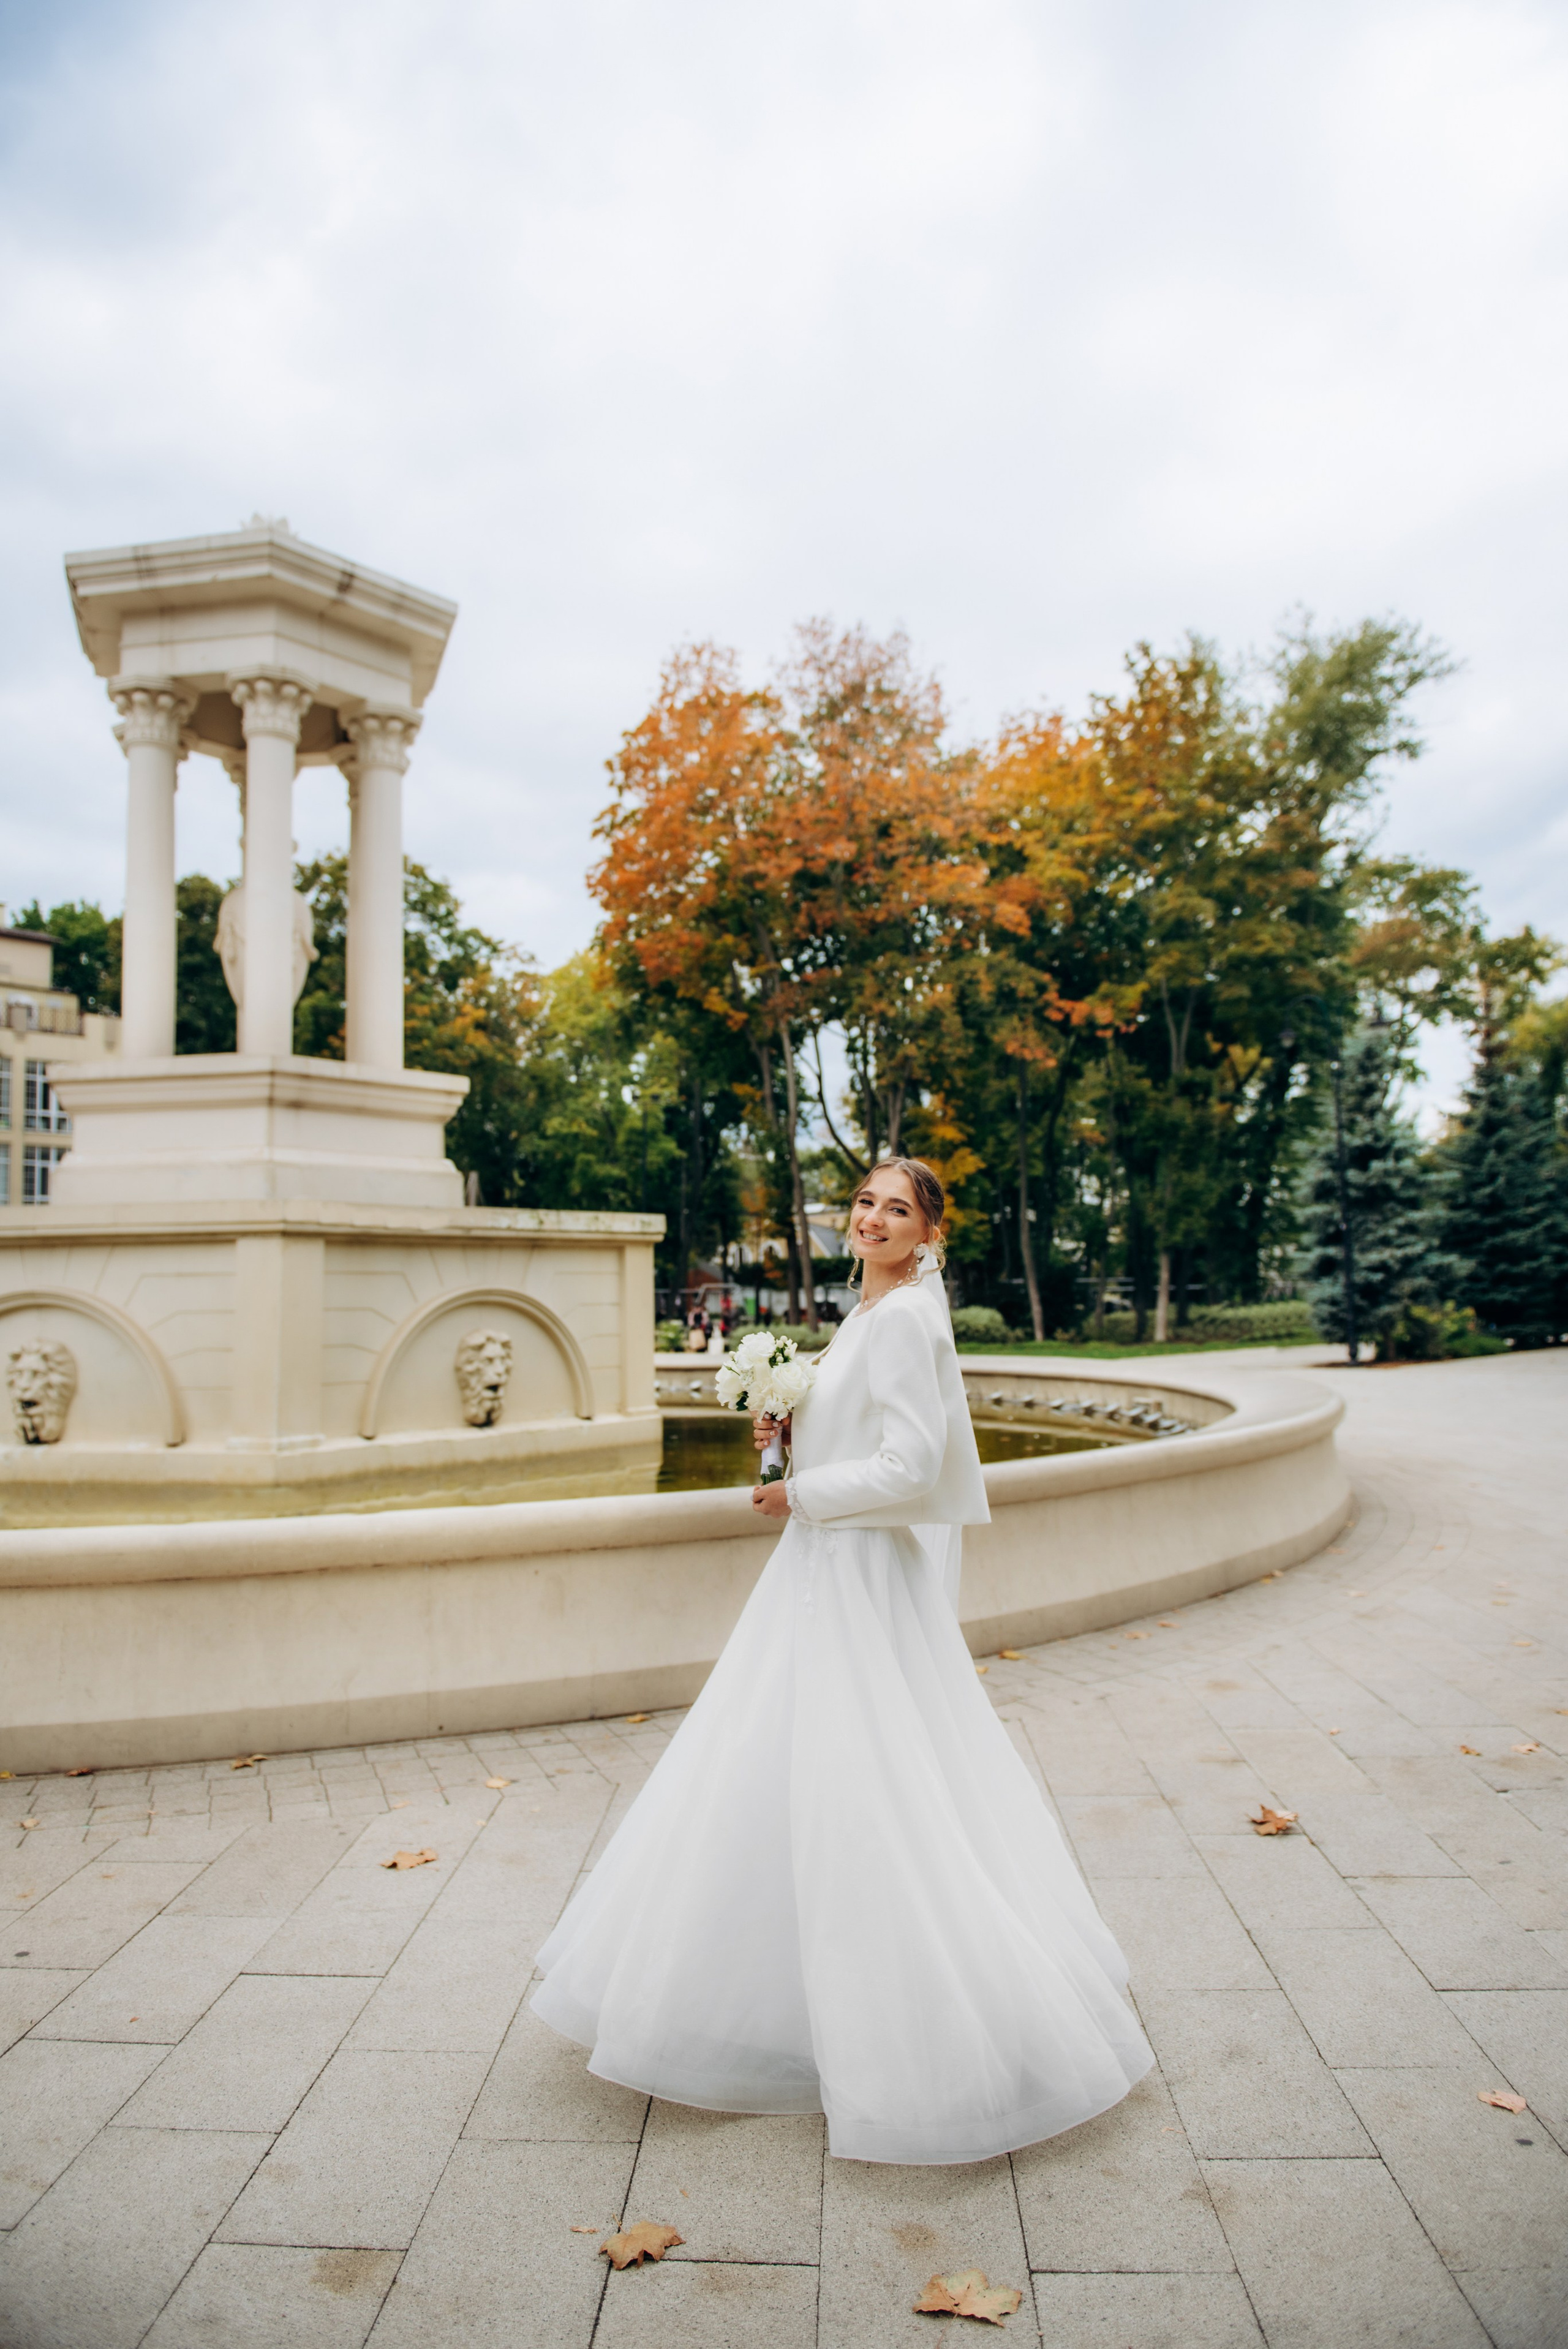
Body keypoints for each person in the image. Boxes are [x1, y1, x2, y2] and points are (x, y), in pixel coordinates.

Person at [530, 1157, 1152, 2164]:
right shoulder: (867, 1314)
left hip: (855, 1572)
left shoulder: (907, 1319)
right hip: (824, 1565)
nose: (872, 1218)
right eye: (865, 1202)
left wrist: (802, 1496)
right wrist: (787, 1433)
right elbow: (861, 1436)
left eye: (895, 1210)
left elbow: (912, 1462)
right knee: (793, 1763)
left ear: (927, 1232)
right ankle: (785, 1997)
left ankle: (916, 2019)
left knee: (862, 1777)